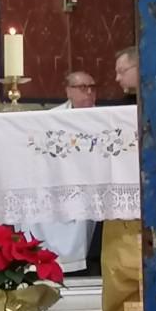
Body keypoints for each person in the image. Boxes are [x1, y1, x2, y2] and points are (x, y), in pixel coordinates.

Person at [25, 70, 98, 272]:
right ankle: (44, 260)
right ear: (68, 91)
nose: (89, 92)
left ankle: (84, 263)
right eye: (82, 87)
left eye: (92, 87)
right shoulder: (52, 119)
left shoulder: (105, 118)